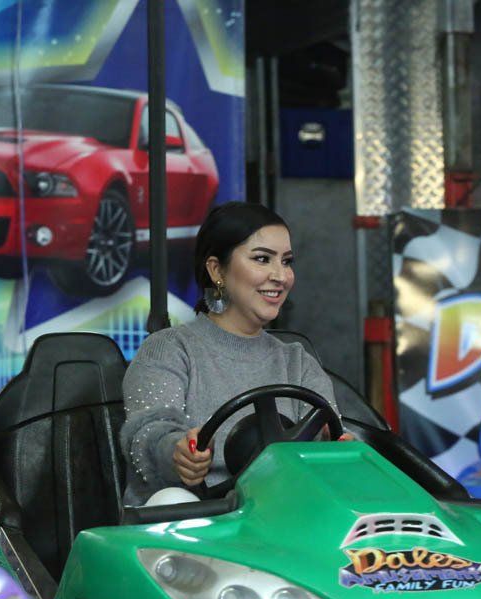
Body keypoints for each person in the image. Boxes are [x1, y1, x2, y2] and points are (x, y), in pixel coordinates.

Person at [119, 201, 345, 505]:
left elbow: (329, 434)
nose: (281, 275)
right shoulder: (170, 349)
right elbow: (147, 434)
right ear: (216, 270)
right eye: (263, 259)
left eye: (286, 261)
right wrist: (177, 451)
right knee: (171, 499)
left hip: (279, 519)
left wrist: (337, 446)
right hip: (196, 524)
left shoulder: (297, 361)